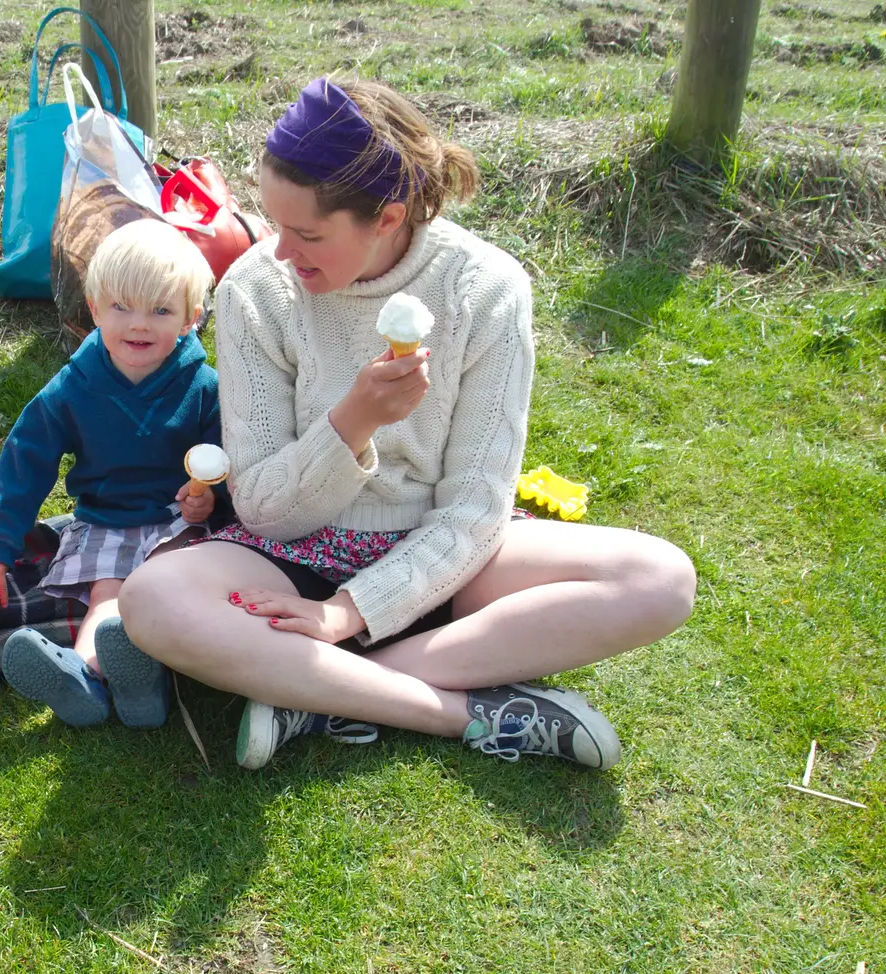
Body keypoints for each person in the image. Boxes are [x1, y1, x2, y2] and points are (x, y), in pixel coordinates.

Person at [118, 77, 697, 770]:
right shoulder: (255, 290)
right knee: (152, 598)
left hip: (445, 554)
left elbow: (476, 509)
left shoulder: (484, 288)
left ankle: (312, 688)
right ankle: (457, 713)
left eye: (306, 234)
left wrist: (351, 612)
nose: (281, 253)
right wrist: (352, 424)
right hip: (293, 553)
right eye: (275, 225)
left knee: (660, 578)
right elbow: (265, 511)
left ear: (387, 218)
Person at [0, 219, 223, 728]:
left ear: (190, 318)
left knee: (157, 582)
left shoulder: (203, 387)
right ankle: (85, 675)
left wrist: (212, 502)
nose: (139, 325)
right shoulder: (74, 387)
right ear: (94, 310)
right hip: (106, 519)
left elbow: (222, 457)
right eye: (121, 307)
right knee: (107, 595)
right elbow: (27, 458)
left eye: (160, 310)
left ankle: (141, 683)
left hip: (175, 520)